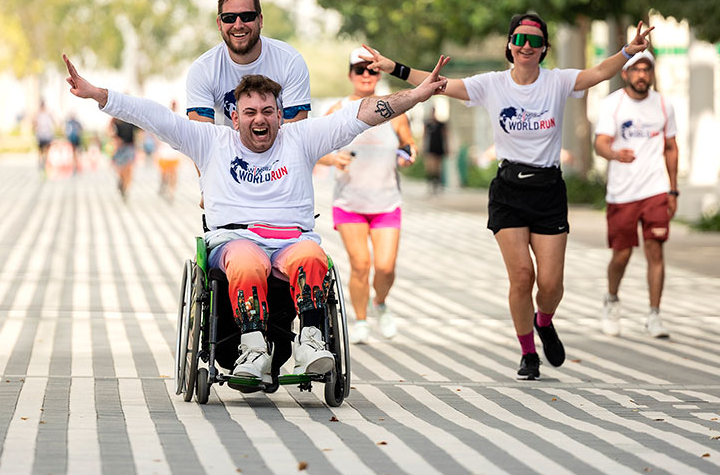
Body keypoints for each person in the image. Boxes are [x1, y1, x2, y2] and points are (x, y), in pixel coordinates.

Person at [62, 52, 448, 385]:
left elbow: (362, 114)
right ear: (234, 116)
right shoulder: (211, 140)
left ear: (280, 115)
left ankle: (311, 341)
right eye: (250, 112)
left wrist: (414, 95)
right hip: (235, 242)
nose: (259, 119)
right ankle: (252, 350)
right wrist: (99, 95)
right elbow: (154, 116)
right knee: (247, 259)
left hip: (293, 241)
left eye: (267, 111)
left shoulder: (302, 138)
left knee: (314, 258)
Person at [364, 14, 654, 380]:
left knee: (551, 284)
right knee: (522, 276)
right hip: (509, 190)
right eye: (520, 39)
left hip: (548, 189)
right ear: (510, 45)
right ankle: (528, 353)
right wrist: (395, 68)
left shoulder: (559, 81)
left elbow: (599, 72)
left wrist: (629, 50)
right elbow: (438, 85)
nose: (527, 46)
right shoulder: (492, 85)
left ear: (544, 48)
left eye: (535, 40)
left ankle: (544, 321)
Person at [318, 47, 417, 344]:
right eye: (360, 70)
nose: (366, 75)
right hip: (350, 203)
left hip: (386, 201)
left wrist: (408, 154)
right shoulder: (338, 110)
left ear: (379, 74)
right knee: (361, 264)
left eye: (372, 70)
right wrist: (333, 160)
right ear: (350, 75)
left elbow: (409, 144)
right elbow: (313, 148)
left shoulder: (394, 109)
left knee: (386, 267)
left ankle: (380, 304)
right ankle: (360, 320)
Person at [594, 50, 678, 339]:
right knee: (622, 255)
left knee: (656, 250)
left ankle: (654, 315)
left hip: (654, 189)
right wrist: (615, 154)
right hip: (622, 192)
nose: (642, 74)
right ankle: (612, 300)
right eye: (636, 69)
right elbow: (600, 143)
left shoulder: (664, 105)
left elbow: (670, 147)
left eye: (647, 69)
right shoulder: (613, 105)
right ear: (625, 74)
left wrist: (673, 189)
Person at [186, 0, 312, 126]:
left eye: (247, 17)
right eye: (229, 18)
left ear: (260, 20)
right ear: (219, 24)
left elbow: (295, 136)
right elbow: (203, 139)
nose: (238, 25)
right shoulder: (203, 69)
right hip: (224, 149)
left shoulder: (290, 62)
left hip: (279, 148)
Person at [156, 100, 183, 200]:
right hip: (164, 151)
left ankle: (171, 191)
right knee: (164, 173)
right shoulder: (165, 118)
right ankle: (164, 185)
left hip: (174, 152)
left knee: (173, 173)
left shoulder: (179, 118)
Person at [422, 101, 449, 193]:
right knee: (430, 167)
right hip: (431, 146)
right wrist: (423, 147)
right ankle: (431, 184)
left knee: (438, 167)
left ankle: (438, 184)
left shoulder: (441, 124)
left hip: (439, 146)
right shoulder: (427, 124)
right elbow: (424, 135)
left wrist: (447, 147)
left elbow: (445, 136)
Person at [110, 118, 138, 199]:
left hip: (129, 147)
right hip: (120, 147)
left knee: (128, 169)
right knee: (121, 170)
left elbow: (139, 130)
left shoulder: (132, 119)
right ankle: (122, 182)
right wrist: (115, 139)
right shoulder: (116, 118)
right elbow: (110, 131)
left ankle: (125, 188)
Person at [33, 101, 56, 172]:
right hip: (41, 135)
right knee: (41, 150)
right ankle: (41, 162)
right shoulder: (38, 115)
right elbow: (34, 123)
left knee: (45, 150)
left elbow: (53, 121)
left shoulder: (46, 114)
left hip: (46, 135)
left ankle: (44, 162)